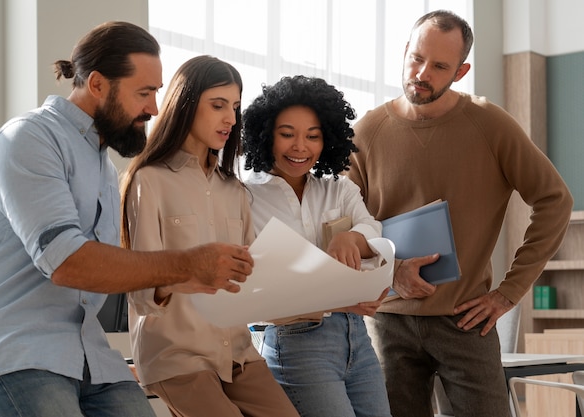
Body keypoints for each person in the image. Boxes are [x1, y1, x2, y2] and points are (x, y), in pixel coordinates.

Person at [0, 23, 254, 417]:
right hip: (16, 350)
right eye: (144, 93)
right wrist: (188, 262)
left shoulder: (99, 160)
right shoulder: (28, 139)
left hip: (87, 352)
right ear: (97, 84)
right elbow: (67, 262)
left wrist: (192, 274)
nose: (153, 108)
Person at [346, 9, 573, 417]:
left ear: (461, 70)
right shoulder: (366, 132)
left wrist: (509, 292)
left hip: (467, 321)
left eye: (439, 66)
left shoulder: (491, 125)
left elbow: (555, 200)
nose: (421, 72)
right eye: (416, 58)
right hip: (386, 322)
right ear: (404, 52)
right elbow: (342, 225)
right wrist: (388, 271)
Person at [120, 55, 299, 417]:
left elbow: (249, 283)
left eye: (234, 107)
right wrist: (189, 271)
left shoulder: (234, 191)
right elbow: (141, 293)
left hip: (237, 352)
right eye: (218, 106)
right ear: (185, 105)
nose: (231, 119)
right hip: (176, 355)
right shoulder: (148, 180)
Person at [241, 75, 391, 417]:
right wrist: (336, 295)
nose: (300, 147)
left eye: (313, 136)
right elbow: (254, 285)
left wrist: (352, 237)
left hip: (356, 336)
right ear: (266, 135)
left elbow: (373, 230)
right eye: (287, 134)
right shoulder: (244, 198)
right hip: (295, 340)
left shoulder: (339, 189)